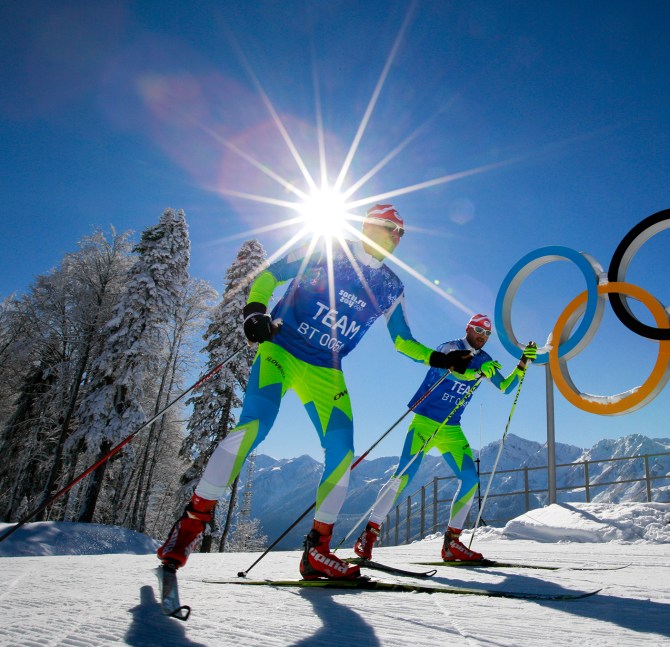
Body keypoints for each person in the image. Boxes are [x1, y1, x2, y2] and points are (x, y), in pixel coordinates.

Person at [157, 204, 473, 580]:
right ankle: (189, 528)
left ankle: (318, 551)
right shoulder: (326, 250)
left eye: (402, 233)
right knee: (255, 426)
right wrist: (255, 310)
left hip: (327, 371)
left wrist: (441, 359)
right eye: (391, 228)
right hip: (282, 350)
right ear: (369, 226)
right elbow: (270, 274)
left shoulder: (391, 286)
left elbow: (402, 340)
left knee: (342, 452)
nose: (397, 238)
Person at [353, 315, 536, 562]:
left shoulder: (485, 360)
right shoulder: (450, 348)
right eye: (478, 330)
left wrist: (523, 363)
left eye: (487, 334)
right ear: (468, 329)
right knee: (404, 476)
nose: (482, 336)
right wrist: (475, 373)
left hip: (451, 426)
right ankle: (369, 534)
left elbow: (505, 388)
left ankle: (452, 543)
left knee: (470, 478)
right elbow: (452, 373)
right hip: (425, 422)